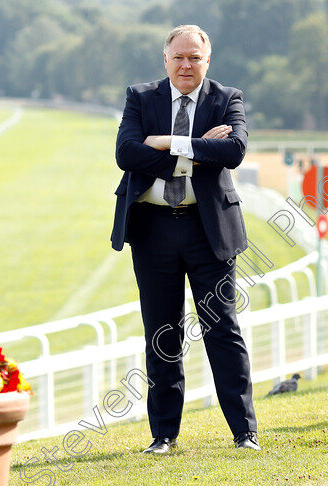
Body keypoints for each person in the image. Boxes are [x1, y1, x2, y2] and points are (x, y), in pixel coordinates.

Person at [111, 24, 259, 453]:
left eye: (194, 57)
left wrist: (167, 143)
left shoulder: (226, 99)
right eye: (178, 57)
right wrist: (196, 148)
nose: (186, 65)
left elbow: (233, 151)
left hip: (208, 227)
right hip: (153, 229)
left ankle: (244, 432)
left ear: (207, 60)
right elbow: (126, 154)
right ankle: (164, 436)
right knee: (162, 332)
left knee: (222, 328)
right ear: (165, 60)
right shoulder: (140, 97)